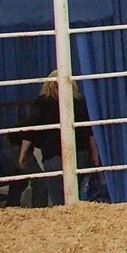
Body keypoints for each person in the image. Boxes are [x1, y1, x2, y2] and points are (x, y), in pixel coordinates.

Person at [17, 70, 95, 207]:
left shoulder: (41, 103)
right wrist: (95, 153)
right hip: (79, 154)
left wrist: (23, 152)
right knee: (78, 195)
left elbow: (30, 129)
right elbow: (89, 131)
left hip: (52, 156)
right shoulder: (78, 102)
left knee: (58, 199)